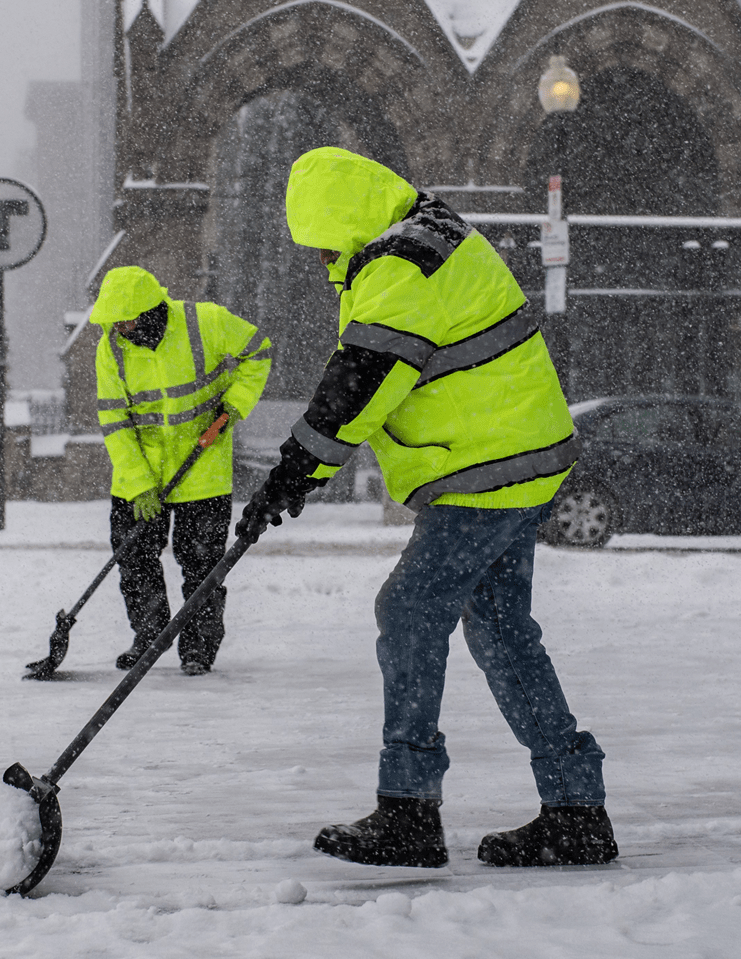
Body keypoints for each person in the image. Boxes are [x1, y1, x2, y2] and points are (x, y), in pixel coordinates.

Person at [240, 146, 613, 869]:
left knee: (409, 610)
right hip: (512, 456)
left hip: (485, 465)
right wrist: (300, 470)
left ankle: (409, 809)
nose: (319, 259)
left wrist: (296, 468)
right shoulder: (425, 235)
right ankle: (576, 809)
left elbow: (364, 374)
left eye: (320, 241)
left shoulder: (400, 263)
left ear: (342, 219)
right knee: (502, 630)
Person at [92, 265, 271, 676]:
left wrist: (234, 405)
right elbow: (115, 422)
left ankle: (198, 649)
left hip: (201, 467)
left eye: (127, 318)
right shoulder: (112, 348)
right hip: (140, 475)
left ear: (151, 310)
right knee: (134, 558)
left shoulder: (203, 321)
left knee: (201, 564)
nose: (120, 327)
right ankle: (150, 636)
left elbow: (258, 350)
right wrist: (139, 487)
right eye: (115, 320)